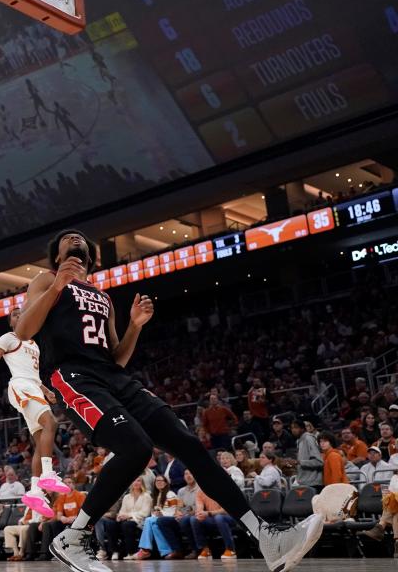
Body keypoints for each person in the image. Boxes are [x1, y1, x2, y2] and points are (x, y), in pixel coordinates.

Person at [16, 229, 323, 572]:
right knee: (136, 447)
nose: (74, 238)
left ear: (89, 255)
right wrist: (58, 284)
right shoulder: (46, 280)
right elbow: (24, 331)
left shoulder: (101, 296)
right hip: (74, 376)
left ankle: (267, 536)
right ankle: (74, 537)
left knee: (188, 444)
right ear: (57, 255)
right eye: (66, 237)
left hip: (114, 376)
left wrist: (135, 326)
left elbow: (115, 357)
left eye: (79, 237)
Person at [0, 306, 69, 517]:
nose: (19, 315)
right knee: (52, 423)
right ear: (11, 322)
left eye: (22, 312)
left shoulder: (34, 344)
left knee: (41, 442)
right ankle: (48, 474)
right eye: (14, 314)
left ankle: (36, 490)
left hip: (32, 386)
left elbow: (35, 377)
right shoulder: (9, 337)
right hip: (20, 386)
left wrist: (46, 390)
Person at [134, 475, 179, 560]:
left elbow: (173, 511)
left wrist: (161, 513)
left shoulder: (170, 494)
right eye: (156, 481)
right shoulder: (157, 495)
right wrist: (156, 514)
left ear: (166, 483)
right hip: (160, 519)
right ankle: (166, 551)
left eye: (161, 481)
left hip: (172, 519)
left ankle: (145, 549)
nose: (158, 482)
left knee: (148, 520)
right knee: (154, 526)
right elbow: (154, 512)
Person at [40, 477, 86, 557]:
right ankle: (53, 552)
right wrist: (62, 518)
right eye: (65, 483)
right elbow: (59, 515)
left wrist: (74, 518)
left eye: (70, 482)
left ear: (74, 485)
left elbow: (83, 512)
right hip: (66, 521)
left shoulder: (79, 495)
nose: (67, 484)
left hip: (77, 520)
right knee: (52, 524)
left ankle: (65, 552)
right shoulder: (61, 497)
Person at [191, 485, 238, 560]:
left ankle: (231, 550)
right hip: (213, 517)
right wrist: (199, 513)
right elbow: (199, 507)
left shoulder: (224, 488)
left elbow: (225, 510)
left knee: (219, 517)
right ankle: (206, 550)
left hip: (231, 517)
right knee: (194, 519)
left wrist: (208, 513)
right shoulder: (200, 491)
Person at [115, 477, 151, 559]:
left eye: (138, 480)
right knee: (113, 524)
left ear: (142, 483)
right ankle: (116, 551)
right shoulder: (127, 497)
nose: (136, 482)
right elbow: (122, 511)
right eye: (134, 480)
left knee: (127, 525)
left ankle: (131, 553)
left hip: (140, 521)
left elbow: (145, 513)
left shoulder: (146, 496)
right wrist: (121, 516)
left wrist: (129, 515)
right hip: (126, 521)